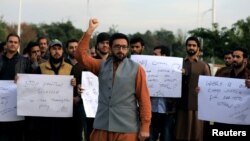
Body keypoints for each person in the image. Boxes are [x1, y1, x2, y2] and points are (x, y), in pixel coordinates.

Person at [75, 19, 151, 141]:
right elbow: (80, 56)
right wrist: (89, 32)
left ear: (127, 49)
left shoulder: (137, 69)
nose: (121, 50)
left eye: (124, 47)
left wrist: (145, 126)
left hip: (126, 128)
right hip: (102, 124)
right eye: (117, 46)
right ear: (110, 48)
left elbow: (144, 99)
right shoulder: (101, 65)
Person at [204, 47, 250, 140]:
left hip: (241, 121)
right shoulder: (222, 72)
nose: (234, 59)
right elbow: (213, 90)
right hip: (223, 119)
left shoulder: (249, 75)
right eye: (233, 56)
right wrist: (202, 90)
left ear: (245, 59)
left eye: (238, 57)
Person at [36, 39, 77, 141]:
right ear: (49, 50)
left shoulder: (70, 68)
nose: (57, 51)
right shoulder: (40, 68)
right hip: (46, 113)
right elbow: (34, 88)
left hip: (64, 114)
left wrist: (75, 85)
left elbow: (76, 91)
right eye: (54, 49)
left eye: (59, 49)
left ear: (63, 51)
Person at [0, 33, 35, 141]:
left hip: (18, 106)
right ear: (6, 44)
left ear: (19, 44)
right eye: (10, 42)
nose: (13, 44)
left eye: (15, 42)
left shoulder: (25, 61)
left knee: (17, 135)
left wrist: (23, 79)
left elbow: (32, 81)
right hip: (1, 105)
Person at [175, 36, 211, 141]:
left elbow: (209, 87)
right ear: (186, 47)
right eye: (189, 45)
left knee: (196, 135)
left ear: (198, 48)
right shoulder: (178, 64)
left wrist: (202, 89)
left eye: (194, 45)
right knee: (180, 134)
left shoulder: (204, 66)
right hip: (181, 106)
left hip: (197, 107)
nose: (191, 47)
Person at [149, 45, 176, 141]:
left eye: (155, 54)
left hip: (167, 112)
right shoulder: (149, 70)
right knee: (150, 137)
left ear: (164, 55)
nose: (152, 56)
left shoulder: (175, 70)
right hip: (152, 111)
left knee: (166, 137)